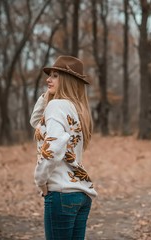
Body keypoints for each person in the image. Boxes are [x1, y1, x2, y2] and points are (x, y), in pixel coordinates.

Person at [30, 55, 97, 240]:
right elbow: (37, 122)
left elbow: (54, 146)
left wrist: (40, 181)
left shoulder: (57, 106)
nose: (48, 80)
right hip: (80, 195)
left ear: (67, 80)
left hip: (61, 194)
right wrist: (47, 95)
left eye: (55, 76)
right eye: (49, 75)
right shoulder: (77, 108)